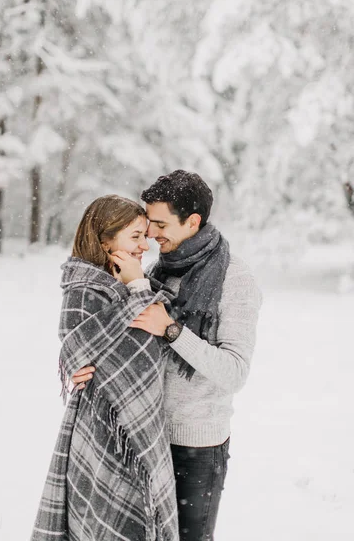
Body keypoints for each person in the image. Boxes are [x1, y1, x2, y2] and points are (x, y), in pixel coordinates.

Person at [74, 171, 262, 541]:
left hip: (196, 446)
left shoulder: (233, 278)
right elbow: (132, 345)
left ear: (192, 221)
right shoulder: (157, 272)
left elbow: (234, 372)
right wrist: (90, 368)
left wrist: (173, 330)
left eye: (160, 224)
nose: (150, 235)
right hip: (144, 439)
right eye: (147, 225)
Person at [31, 195, 179, 541]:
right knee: (106, 523)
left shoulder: (122, 285)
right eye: (135, 236)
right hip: (105, 431)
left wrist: (137, 286)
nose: (145, 245)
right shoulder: (87, 289)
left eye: (145, 235)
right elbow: (137, 349)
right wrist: (138, 288)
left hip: (126, 430)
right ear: (104, 240)